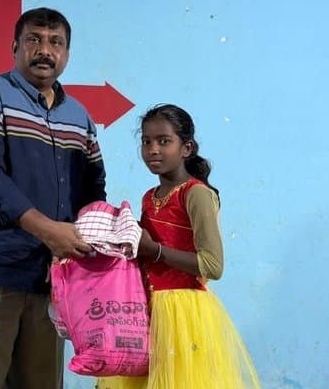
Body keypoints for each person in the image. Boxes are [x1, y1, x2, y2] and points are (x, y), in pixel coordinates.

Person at [0, 7, 106, 389]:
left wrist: (96, 239)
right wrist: (48, 230)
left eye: (56, 42)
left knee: (42, 382)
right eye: (34, 39)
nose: (44, 50)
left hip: (49, 275)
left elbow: (93, 189)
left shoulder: (79, 118)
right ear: (16, 47)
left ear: (66, 53)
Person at [97, 104, 260, 389]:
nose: (153, 150)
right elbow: (146, 249)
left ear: (186, 148)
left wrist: (155, 250)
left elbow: (213, 265)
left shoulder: (196, 193)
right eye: (146, 142)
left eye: (164, 141)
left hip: (183, 313)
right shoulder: (150, 197)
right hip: (144, 310)